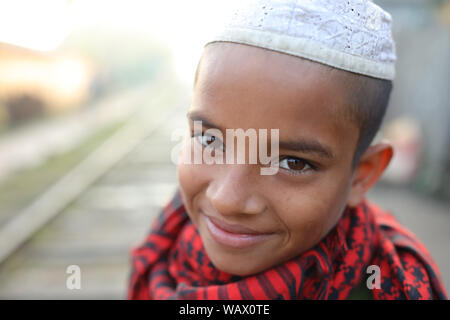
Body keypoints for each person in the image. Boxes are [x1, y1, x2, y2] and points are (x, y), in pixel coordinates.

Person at [128, 0, 448, 299]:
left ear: (362, 176)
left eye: (292, 162)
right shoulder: (168, 241)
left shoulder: (393, 285)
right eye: (209, 140)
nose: (226, 200)